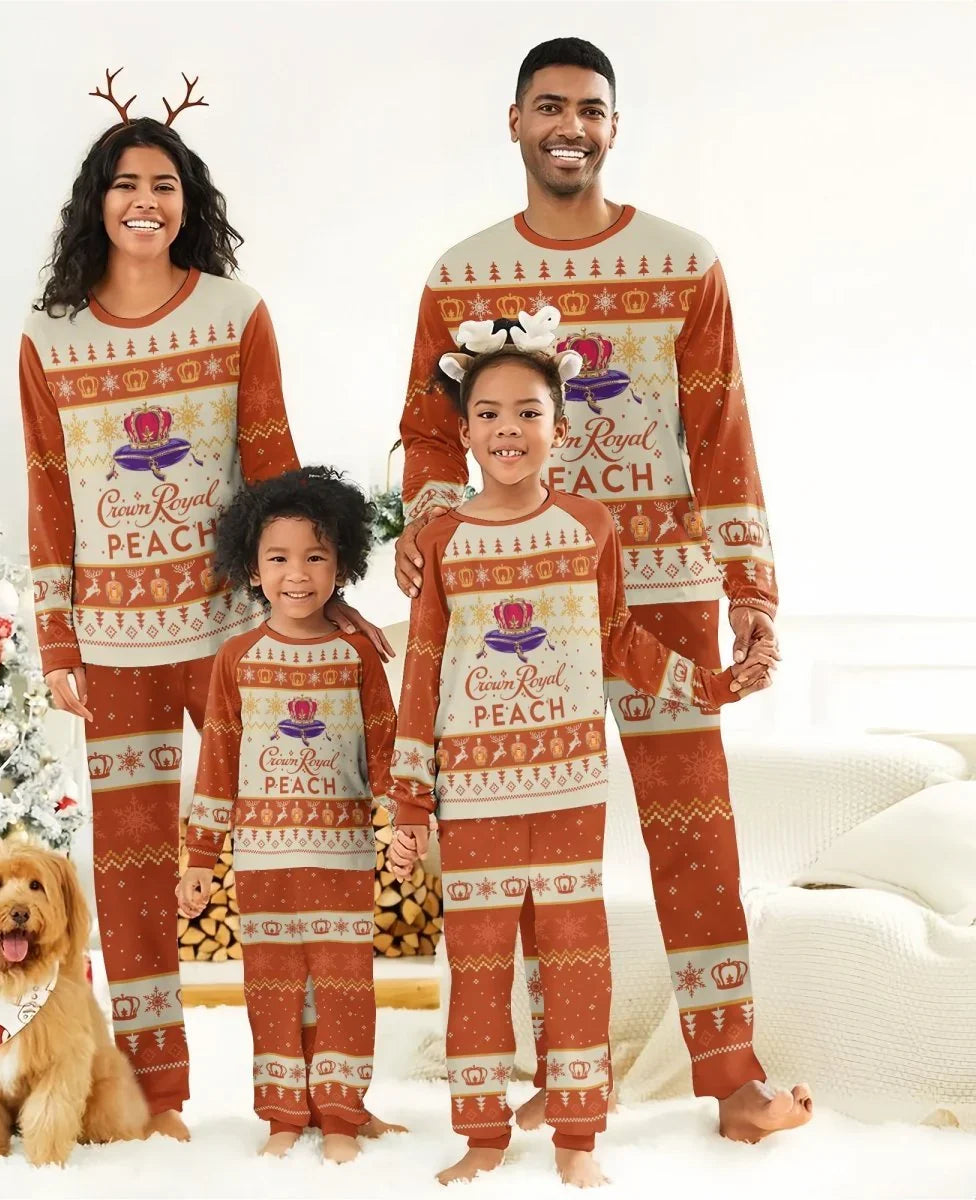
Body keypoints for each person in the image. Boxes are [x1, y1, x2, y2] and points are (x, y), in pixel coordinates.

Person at [394, 36, 813, 1143]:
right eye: (549, 107)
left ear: (613, 127)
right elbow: (430, 436)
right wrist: (428, 535)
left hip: (666, 589)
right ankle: (558, 1074)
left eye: (589, 109)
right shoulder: (460, 273)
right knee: (535, 844)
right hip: (511, 614)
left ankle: (732, 1076)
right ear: (517, 121)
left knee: (695, 834)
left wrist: (751, 584)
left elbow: (719, 427)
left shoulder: (685, 261)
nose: (569, 125)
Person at [19, 92, 390, 1139]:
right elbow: (49, 495)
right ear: (98, 203)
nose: (144, 201)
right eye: (126, 184)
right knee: (132, 872)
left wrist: (322, 611)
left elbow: (272, 472)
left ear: (188, 206)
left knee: (296, 845)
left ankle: (322, 1089)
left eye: (164, 186)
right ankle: (154, 1095)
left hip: (239, 635)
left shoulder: (234, 313)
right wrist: (56, 638)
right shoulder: (49, 338)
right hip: (113, 646)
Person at [388, 342, 773, 1186]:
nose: (508, 430)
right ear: (463, 433)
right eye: (487, 415)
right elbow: (423, 671)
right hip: (475, 792)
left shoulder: (589, 526)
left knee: (575, 960)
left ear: (559, 429)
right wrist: (410, 802)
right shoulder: (443, 542)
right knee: (478, 964)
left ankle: (576, 1138)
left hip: (570, 787)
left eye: (528, 413)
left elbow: (617, 642)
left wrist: (708, 685)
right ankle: (483, 1137)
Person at [178, 467, 400, 1164]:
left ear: (343, 564)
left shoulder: (359, 653)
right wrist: (202, 859)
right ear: (252, 566)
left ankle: (340, 1112)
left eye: (316, 556)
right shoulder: (236, 659)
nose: (297, 574)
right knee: (271, 985)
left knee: (344, 983)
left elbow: (387, 747)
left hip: (342, 856)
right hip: (264, 859)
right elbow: (216, 763)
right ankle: (282, 1111)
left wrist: (402, 824)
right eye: (279, 557)